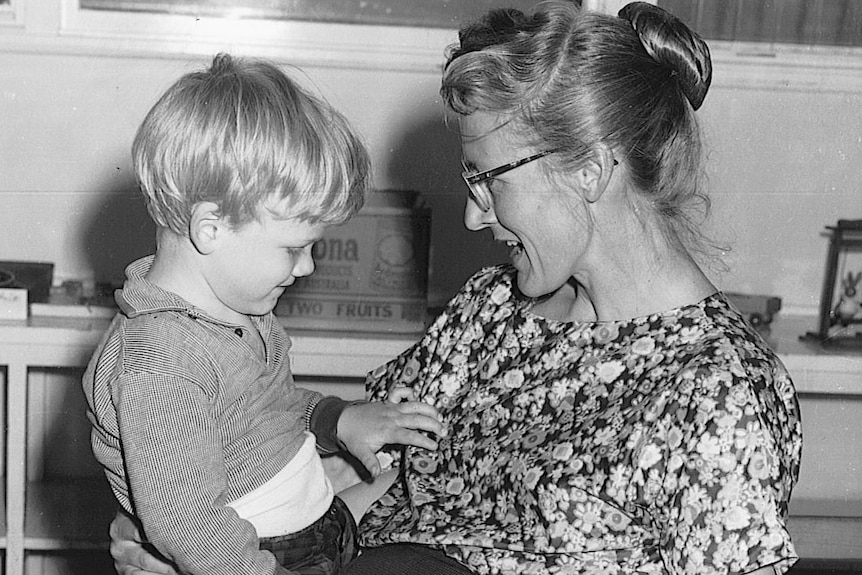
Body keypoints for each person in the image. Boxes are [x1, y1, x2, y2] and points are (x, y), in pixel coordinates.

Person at [109, 2, 803, 575]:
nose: (474, 214)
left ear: (590, 170)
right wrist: (186, 528)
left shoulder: (715, 394)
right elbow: (350, 464)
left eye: (489, 178)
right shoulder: (491, 311)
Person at [82, 52, 445, 575]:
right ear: (210, 228)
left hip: (316, 522)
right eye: (293, 247)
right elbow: (186, 520)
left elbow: (255, 413)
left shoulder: (230, 312)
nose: (306, 267)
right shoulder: (158, 361)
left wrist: (337, 419)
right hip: (269, 558)